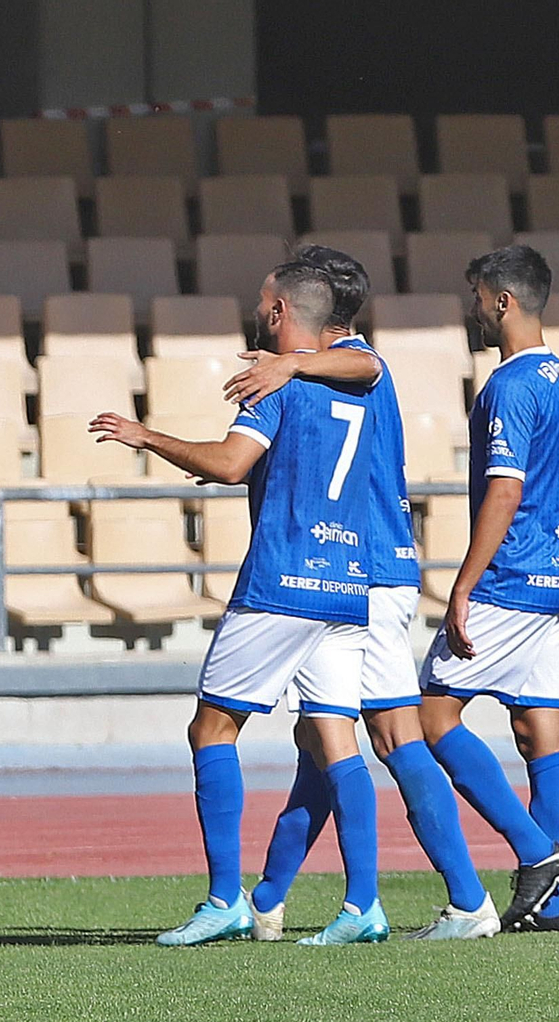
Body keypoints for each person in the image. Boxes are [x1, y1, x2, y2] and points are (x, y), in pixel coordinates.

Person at [89, 260, 388, 947]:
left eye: (263, 302)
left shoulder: (277, 384)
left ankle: (225, 899)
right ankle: (363, 905)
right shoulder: (358, 384)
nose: (257, 311)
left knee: (212, 729)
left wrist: (147, 436)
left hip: (281, 582)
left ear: (281, 312)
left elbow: (229, 462)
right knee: (337, 739)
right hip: (346, 581)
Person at [222, 246, 498, 940]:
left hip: (360, 570)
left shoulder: (350, 361)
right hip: (377, 568)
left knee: (375, 735)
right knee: (326, 739)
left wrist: (290, 363)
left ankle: (462, 900)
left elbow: (366, 364)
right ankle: (270, 896)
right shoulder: (338, 367)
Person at [418, 245, 559, 932]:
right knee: (539, 728)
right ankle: (554, 908)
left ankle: (537, 854)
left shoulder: (509, 385)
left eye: (478, 298)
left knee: (430, 715)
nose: (475, 310)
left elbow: (506, 489)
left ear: (503, 301)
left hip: (513, 577)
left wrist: (463, 585)